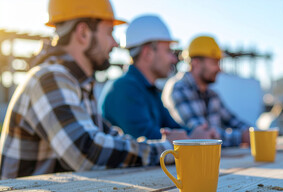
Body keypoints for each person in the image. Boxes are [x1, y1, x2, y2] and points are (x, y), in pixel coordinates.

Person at [0, 0, 173, 179]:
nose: (115, 43)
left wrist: (162, 144)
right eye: (109, 32)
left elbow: (110, 137)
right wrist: (167, 149)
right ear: (83, 33)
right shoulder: (50, 78)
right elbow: (88, 153)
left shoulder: (77, 83)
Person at [99, 15, 215, 141]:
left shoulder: (150, 90)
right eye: (168, 51)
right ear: (147, 53)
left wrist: (198, 132)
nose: (174, 59)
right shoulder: (124, 89)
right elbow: (144, 142)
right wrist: (191, 137)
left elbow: (172, 127)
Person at [162, 36, 250, 147]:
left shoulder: (212, 95)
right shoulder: (178, 89)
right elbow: (204, 137)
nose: (219, 69)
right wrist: (242, 137)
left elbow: (234, 121)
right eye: (215, 62)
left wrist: (254, 133)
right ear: (196, 63)